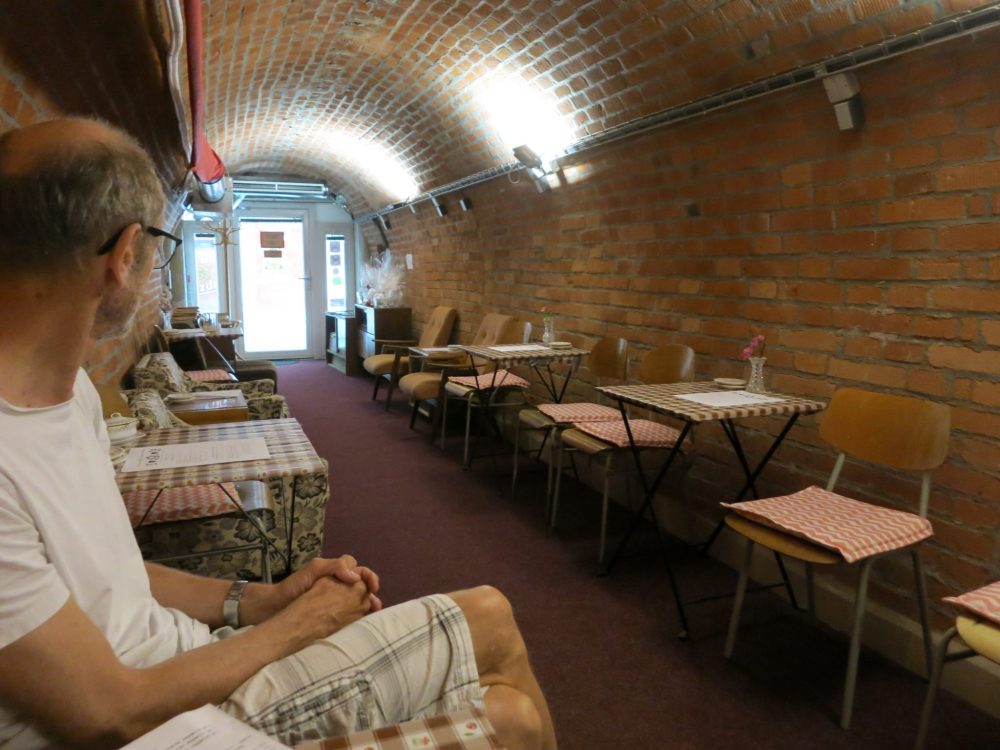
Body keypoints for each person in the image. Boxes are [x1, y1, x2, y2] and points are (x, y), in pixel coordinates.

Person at [0, 118, 556, 750]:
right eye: (161, 247)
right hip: (161, 722)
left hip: (187, 664)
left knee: (493, 625)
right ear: (126, 256)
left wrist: (262, 599)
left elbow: (115, 578)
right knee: (510, 712)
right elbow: (107, 714)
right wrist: (299, 625)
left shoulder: (70, 394)